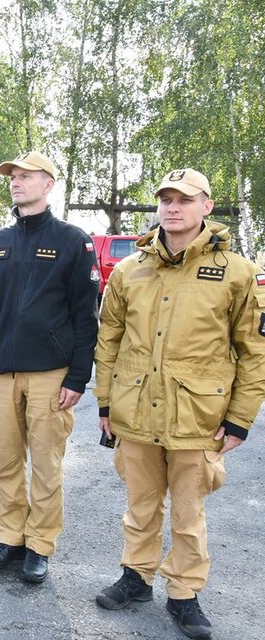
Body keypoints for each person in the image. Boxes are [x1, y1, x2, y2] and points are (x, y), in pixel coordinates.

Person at [93, 168, 265, 639]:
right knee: (140, 505)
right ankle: (136, 576)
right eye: (166, 199)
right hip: (135, 410)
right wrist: (105, 404)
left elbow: (254, 352)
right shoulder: (130, 270)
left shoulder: (238, 273)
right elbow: (109, 341)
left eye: (185, 200)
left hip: (198, 416)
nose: (173, 207)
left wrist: (240, 419)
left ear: (206, 206)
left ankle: (184, 593)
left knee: (189, 514)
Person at [0, 151, 99, 583]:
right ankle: (11, 537)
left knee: (45, 465)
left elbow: (86, 316)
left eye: (26, 176)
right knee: (6, 462)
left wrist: (78, 376)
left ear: (48, 185)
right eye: (13, 175)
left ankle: (40, 544)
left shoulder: (72, 241)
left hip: (50, 374)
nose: (16, 181)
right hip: (2, 373)